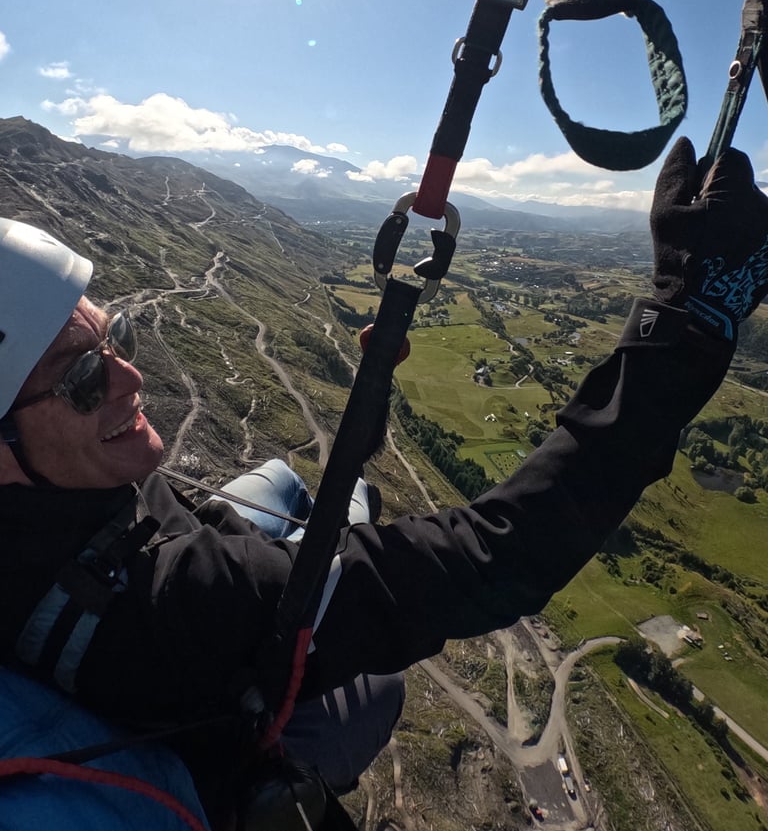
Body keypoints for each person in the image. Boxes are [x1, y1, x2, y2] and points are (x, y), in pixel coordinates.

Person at [1, 136, 767, 829]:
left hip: (173, 607)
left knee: (284, 483)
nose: (132, 377)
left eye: (119, 336)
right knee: (379, 683)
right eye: (84, 377)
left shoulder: (52, 502)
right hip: (208, 682)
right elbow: (495, 554)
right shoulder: (175, 600)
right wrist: (688, 321)